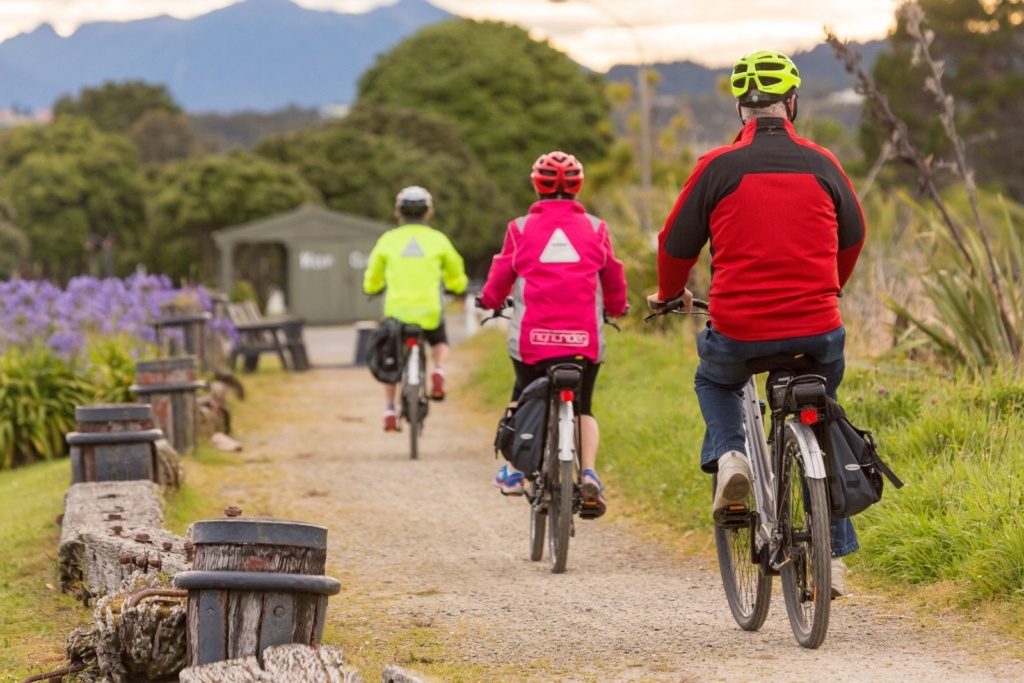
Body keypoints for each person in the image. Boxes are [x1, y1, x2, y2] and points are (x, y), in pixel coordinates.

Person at [646, 51, 866, 596]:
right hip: (819, 328)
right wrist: (829, 288)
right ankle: (833, 559)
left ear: (742, 108)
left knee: (715, 378)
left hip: (740, 328)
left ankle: (732, 457)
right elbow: (854, 235)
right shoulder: (823, 163)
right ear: (792, 103)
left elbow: (675, 245)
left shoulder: (717, 167)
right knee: (822, 419)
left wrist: (670, 295)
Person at [477, 151, 628, 518]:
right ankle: (589, 472)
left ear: (536, 184)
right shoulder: (595, 227)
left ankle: (514, 472)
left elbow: (500, 275)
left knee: (522, 394)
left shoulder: (521, 227)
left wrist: (489, 300)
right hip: (583, 340)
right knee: (584, 406)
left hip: (533, 341)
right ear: (578, 186)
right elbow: (612, 276)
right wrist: (617, 307)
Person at [363, 185, 468, 432]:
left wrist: (373, 287)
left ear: (398, 212)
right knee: (440, 341)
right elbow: (456, 274)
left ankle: (389, 409)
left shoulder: (388, 240)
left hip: (397, 313)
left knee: (391, 359)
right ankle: (439, 369)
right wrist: (457, 286)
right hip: (429, 312)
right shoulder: (438, 240)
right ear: (428, 212)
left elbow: (372, 278)